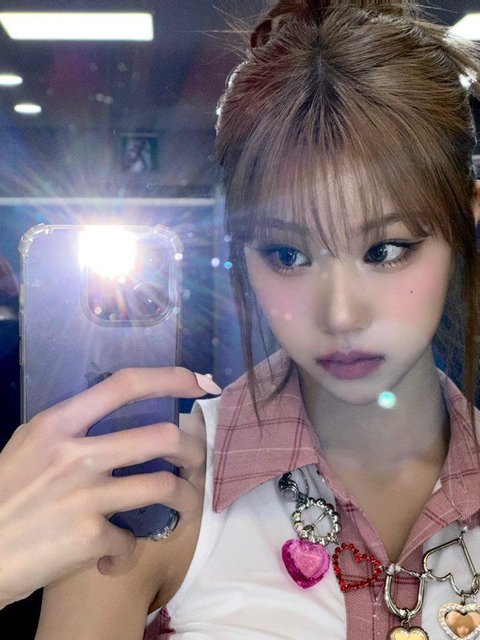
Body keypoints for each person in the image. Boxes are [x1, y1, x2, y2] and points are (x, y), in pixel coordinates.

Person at [34, 0, 480, 638]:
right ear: (242, 250)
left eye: (385, 250)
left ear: (466, 215)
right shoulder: (151, 488)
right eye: (288, 255)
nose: (340, 314)